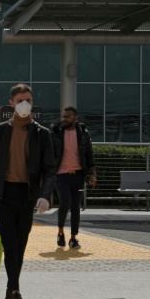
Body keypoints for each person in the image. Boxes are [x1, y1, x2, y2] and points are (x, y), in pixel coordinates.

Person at [0, 83, 56, 299]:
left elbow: (49, 169)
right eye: (20, 101)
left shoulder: (42, 134)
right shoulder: (0, 132)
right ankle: (16, 294)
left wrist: (44, 195)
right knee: (10, 245)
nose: (25, 104)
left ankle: (9, 293)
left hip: (27, 195)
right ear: (11, 104)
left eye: (29, 100)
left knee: (19, 247)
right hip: (4, 195)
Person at [51, 106, 96, 250]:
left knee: (76, 206)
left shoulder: (83, 133)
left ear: (75, 118)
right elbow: (49, 153)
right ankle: (60, 232)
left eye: (68, 116)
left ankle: (73, 238)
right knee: (65, 203)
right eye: (63, 116)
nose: (64, 119)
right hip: (61, 174)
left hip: (78, 175)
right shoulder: (56, 132)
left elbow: (89, 153)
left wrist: (92, 173)